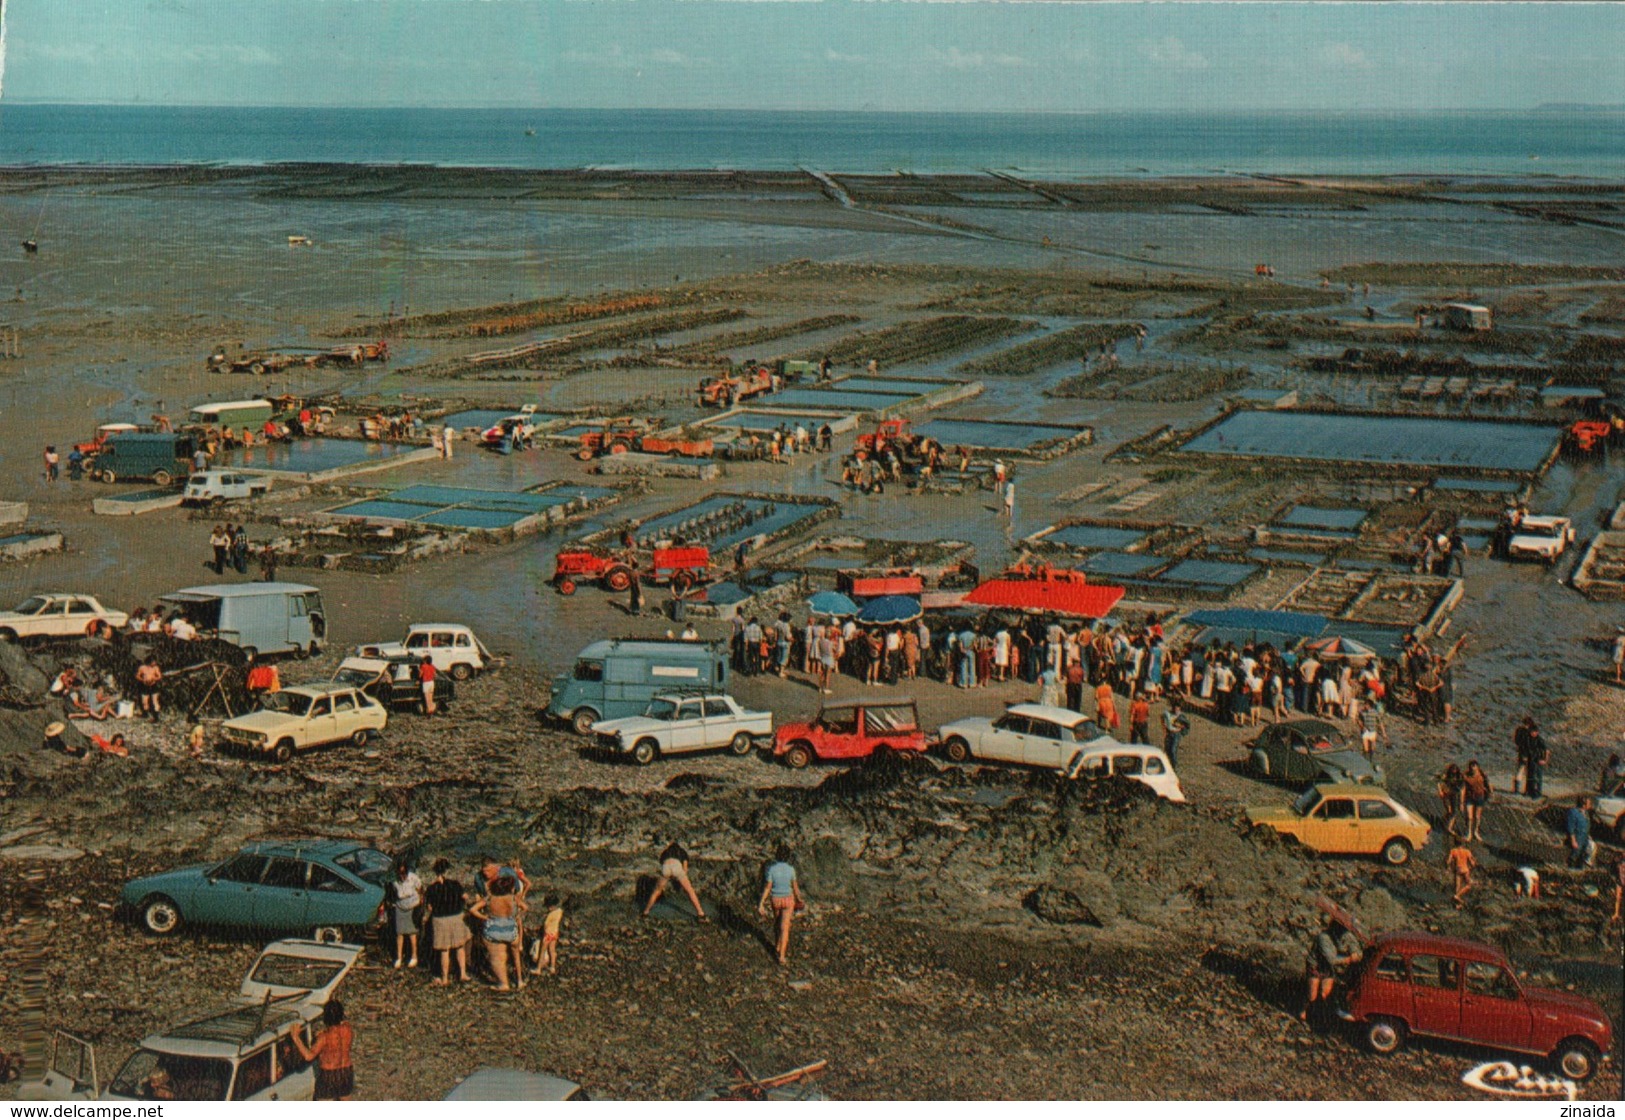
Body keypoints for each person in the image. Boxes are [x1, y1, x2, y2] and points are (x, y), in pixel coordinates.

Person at [469, 873, 527, 991]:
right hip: (511, 929)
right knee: (516, 955)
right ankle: (519, 980)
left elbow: (472, 909)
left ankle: (503, 983)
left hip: (494, 930)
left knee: (497, 958)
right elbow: (525, 907)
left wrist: (484, 917)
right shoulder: (513, 898)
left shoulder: (490, 898)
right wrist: (517, 915)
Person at [1301, 914, 1361, 1021]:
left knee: (1325, 993)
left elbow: (1355, 947)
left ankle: (1318, 1014)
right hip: (1316, 966)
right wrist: (1349, 959)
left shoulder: (1345, 935)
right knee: (1312, 995)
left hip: (1328, 968)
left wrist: (1355, 953)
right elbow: (1331, 959)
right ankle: (1304, 1011)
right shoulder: (1323, 938)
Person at [291, 1000, 354, 1100]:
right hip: (346, 1071)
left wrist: (296, 1037)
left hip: (329, 1074)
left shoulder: (324, 1037)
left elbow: (308, 1056)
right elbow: (339, 1028)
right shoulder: (348, 1029)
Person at [425, 858, 471, 986]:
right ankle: (463, 974)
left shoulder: (431, 888)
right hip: (456, 917)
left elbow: (429, 907)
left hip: (440, 919)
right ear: (447, 870)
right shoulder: (455, 884)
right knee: (459, 947)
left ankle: (445, 978)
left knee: (444, 950)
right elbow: (465, 897)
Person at [758, 845, 805, 966]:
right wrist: (800, 900)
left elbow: (768, 887)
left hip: (776, 899)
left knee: (777, 922)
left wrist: (761, 903)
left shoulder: (772, 869)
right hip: (788, 899)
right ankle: (782, 956)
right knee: (785, 928)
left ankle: (777, 945)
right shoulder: (791, 870)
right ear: (788, 857)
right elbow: (795, 888)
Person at [642, 841, 707, 921]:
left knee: (657, 891)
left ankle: (646, 912)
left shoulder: (665, 852)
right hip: (676, 866)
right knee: (690, 891)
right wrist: (680, 879)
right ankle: (701, 913)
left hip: (665, 868)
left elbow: (663, 865)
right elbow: (685, 869)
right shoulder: (682, 852)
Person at [390, 859, 424, 970]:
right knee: (399, 933)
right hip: (400, 907)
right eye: (400, 874)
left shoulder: (413, 878)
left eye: (404, 874)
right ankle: (399, 958)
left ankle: (414, 956)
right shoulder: (395, 881)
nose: (402, 877)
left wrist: (421, 905)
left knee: (412, 933)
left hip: (413, 907)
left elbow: (420, 889)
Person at [533, 895, 564, 976]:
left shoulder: (550, 915)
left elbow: (545, 924)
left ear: (551, 906)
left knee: (542, 951)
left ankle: (538, 968)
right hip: (555, 933)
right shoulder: (560, 911)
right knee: (552, 950)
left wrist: (540, 930)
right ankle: (552, 967)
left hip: (547, 934)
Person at [1461, 759, 1490, 841]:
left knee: (1477, 816)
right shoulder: (1465, 776)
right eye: (1471, 767)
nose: (1473, 768)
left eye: (1475, 766)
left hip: (1480, 797)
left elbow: (1487, 785)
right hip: (1469, 797)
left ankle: (1476, 831)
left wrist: (1489, 793)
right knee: (1469, 817)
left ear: (1477, 767)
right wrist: (1461, 801)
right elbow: (1463, 788)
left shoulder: (1482, 775)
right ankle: (1469, 832)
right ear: (1469, 767)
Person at [1437, 763, 1465, 838]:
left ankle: (1449, 827)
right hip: (1447, 795)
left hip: (1455, 795)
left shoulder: (1460, 777)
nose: (1454, 772)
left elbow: (1462, 788)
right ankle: (1443, 821)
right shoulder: (1446, 775)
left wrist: (1462, 802)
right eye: (1453, 770)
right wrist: (1440, 791)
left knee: (1454, 812)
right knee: (1449, 811)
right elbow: (1439, 783)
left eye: (1455, 770)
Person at [1567, 796, 1595, 869]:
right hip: (1577, 837)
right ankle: (1571, 867)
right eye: (1589, 804)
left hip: (1584, 836)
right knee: (1575, 853)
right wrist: (1573, 840)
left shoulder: (1586, 813)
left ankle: (1581, 866)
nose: (1590, 805)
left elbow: (1587, 824)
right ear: (1583, 805)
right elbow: (1570, 827)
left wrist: (1588, 835)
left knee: (1588, 849)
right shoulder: (1573, 813)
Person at [1448, 840, 1477, 907]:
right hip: (1465, 870)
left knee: (1457, 886)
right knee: (1469, 885)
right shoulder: (1467, 851)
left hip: (1458, 870)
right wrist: (1473, 865)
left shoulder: (1453, 851)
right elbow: (1472, 863)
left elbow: (1448, 861)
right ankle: (1457, 896)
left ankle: (1457, 904)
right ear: (1462, 844)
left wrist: (1450, 867)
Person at [1160, 700, 1189, 768]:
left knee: (1173, 750)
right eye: (1175, 708)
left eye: (1177, 708)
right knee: (1167, 749)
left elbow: (1186, 725)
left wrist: (1180, 726)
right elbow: (1162, 717)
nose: (1176, 710)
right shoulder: (1167, 713)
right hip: (1169, 733)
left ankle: (1174, 765)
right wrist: (1164, 727)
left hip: (1176, 734)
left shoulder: (1181, 716)